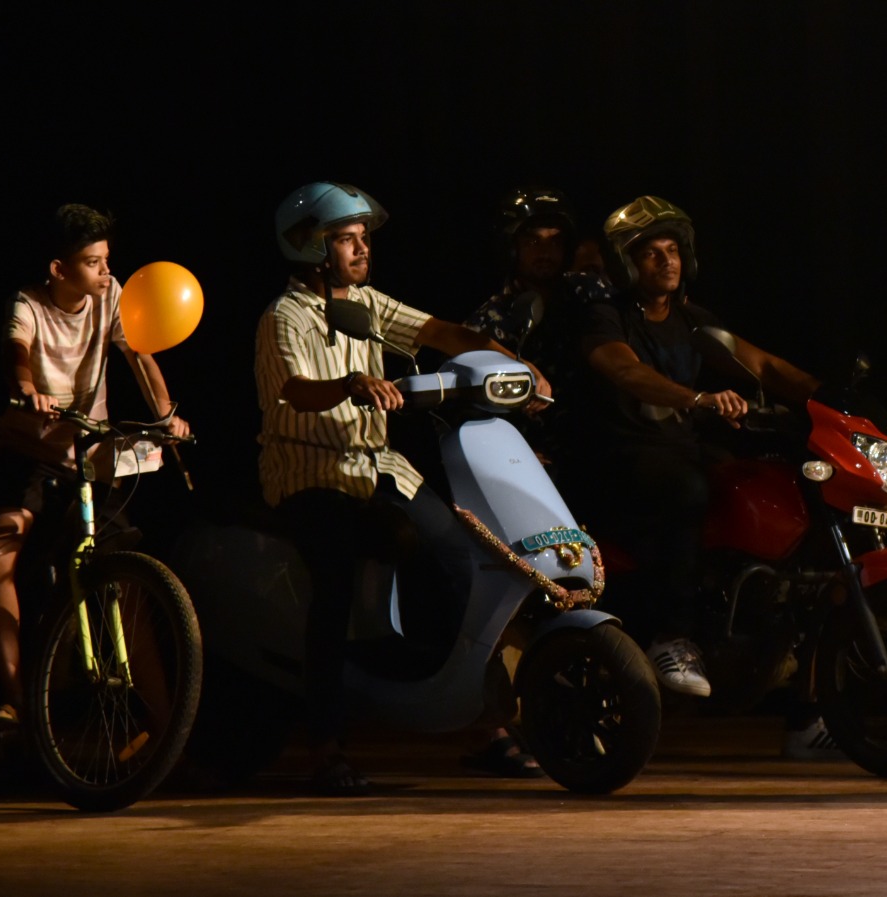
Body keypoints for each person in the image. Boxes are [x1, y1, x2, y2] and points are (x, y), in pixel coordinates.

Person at [255, 181, 553, 793]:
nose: (362, 248)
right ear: (311, 247)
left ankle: (479, 724)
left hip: (380, 466)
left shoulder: (364, 302)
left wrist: (514, 364)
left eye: (363, 237)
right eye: (346, 239)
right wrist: (351, 384)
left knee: (464, 558)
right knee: (334, 586)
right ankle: (325, 744)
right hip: (311, 471)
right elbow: (295, 391)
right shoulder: (284, 316)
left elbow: (445, 333)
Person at [578, 195, 819, 699]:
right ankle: (672, 636)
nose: (666, 261)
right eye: (651, 253)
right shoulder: (605, 316)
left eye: (672, 250)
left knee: (763, 486)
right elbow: (624, 369)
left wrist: (827, 399)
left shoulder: (690, 319)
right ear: (626, 263)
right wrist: (698, 398)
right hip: (620, 455)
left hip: (678, 450)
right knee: (687, 489)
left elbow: (763, 365)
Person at [0, 203, 191, 729]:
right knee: (2, 544)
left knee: (128, 576)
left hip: (86, 453)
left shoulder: (111, 295)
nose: (105, 271)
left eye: (106, 260)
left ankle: (167, 726)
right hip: (30, 450)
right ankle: (17, 697)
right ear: (59, 268)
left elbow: (140, 355)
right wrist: (27, 389)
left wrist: (166, 415)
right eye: (93, 262)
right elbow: (16, 350)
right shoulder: (28, 303)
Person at [464, 186, 612, 472]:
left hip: (607, 445)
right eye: (533, 241)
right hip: (535, 460)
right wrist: (512, 452)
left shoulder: (590, 291)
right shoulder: (487, 322)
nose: (545, 252)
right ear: (511, 248)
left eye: (555, 241)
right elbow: (468, 409)